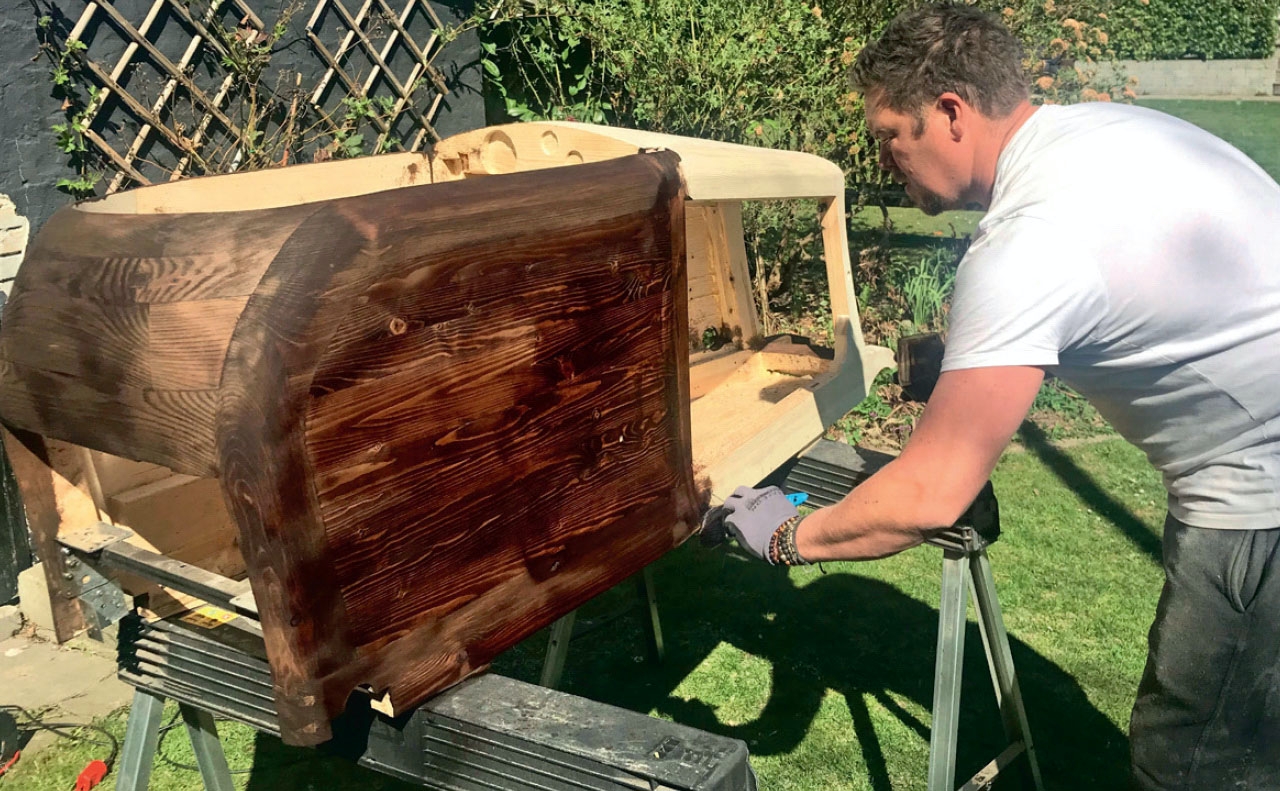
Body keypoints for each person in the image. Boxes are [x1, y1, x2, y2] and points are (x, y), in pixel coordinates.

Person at [714, 4, 1280, 789]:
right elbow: (1126, 304)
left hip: (1258, 501)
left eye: (889, 135)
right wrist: (942, 376)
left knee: (1190, 762)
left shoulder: (1026, 242)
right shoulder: (1105, 136)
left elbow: (928, 496)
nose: (884, 160)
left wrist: (786, 535)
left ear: (950, 113)